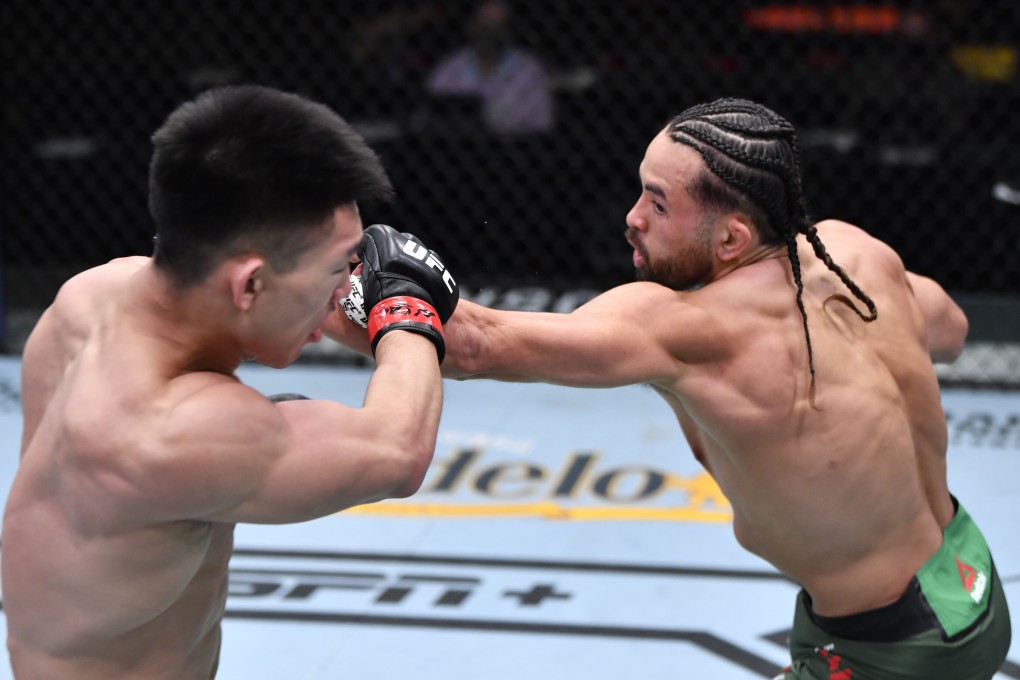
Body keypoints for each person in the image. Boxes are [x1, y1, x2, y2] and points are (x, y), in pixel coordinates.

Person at [326, 98, 1012, 678]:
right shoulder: (853, 254)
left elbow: (473, 343)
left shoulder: (684, 325)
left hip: (892, 647)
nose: (632, 217)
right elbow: (948, 328)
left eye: (658, 204)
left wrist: (328, 294)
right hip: (972, 583)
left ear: (731, 239)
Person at [1, 84, 459, 679]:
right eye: (334, 269)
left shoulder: (95, 296)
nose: (343, 289)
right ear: (248, 286)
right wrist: (406, 311)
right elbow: (397, 452)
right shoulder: (169, 434)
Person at [424, 0, 553, 134]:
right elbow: (430, 120)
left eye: (498, 25)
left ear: (509, 29)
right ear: (472, 26)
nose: (491, 32)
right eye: (485, 24)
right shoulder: (449, 70)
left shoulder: (529, 70)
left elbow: (542, 124)